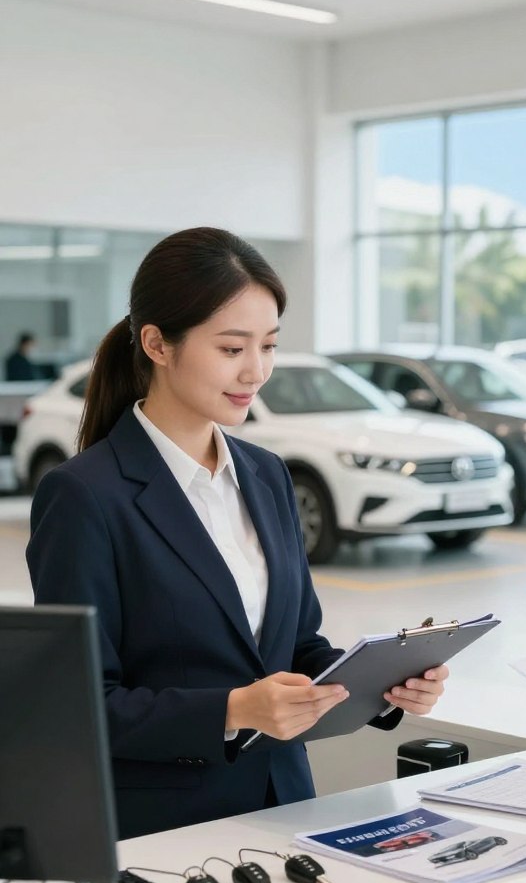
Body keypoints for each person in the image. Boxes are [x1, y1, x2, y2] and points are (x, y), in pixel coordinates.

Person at [26, 227, 449, 840]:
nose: (256, 371)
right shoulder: (85, 495)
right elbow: (79, 703)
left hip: (287, 808)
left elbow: (298, 645)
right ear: (157, 344)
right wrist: (233, 710)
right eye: (231, 349)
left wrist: (382, 684)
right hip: (164, 830)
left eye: (269, 346)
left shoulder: (266, 473)